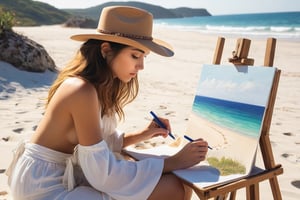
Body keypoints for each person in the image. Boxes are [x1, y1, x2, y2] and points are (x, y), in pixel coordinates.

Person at [6, 6, 208, 200]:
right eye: (135, 56)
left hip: (56, 174)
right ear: (106, 49)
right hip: (42, 187)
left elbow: (100, 143)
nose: (141, 66)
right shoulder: (81, 90)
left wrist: (144, 134)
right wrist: (174, 161)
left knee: (166, 181)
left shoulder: (96, 87)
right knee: (173, 188)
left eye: (144, 57)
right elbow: (102, 174)